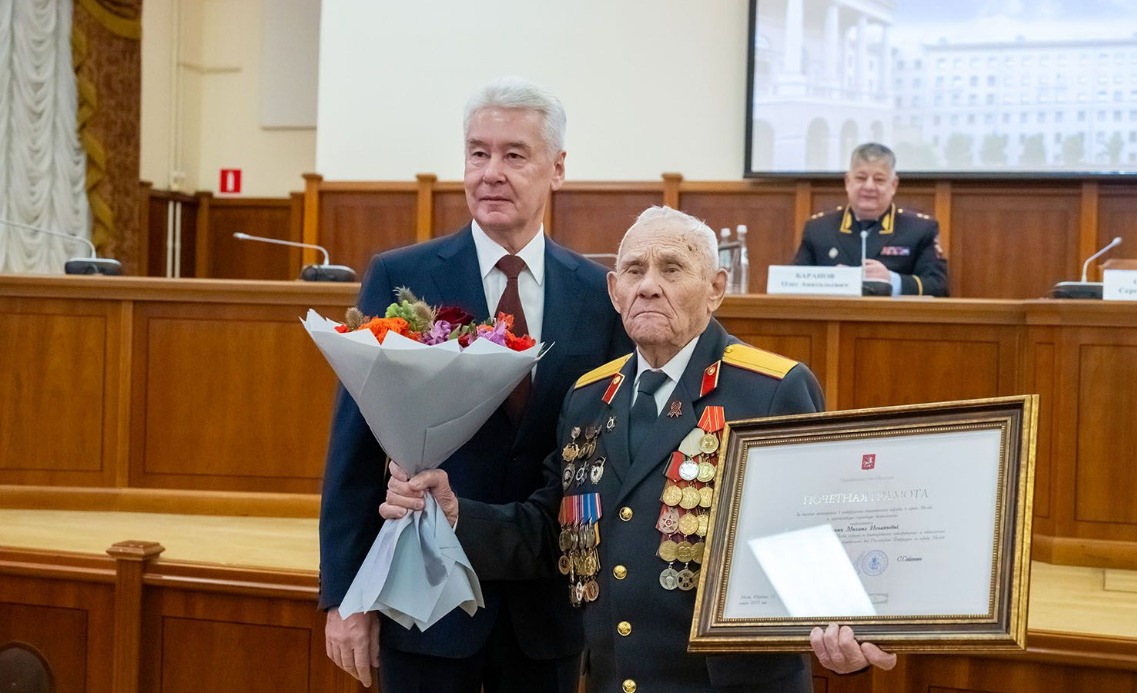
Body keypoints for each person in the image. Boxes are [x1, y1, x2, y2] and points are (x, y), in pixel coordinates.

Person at [381, 206, 897, 691]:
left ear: (716, 288)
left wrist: (850, 627)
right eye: (633, 270)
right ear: (613, 290)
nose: (648, 286)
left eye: (672, 269)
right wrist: (453, 514)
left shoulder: (770, 389)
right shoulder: (588, 398)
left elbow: (822, 533)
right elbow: (550, 533)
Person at [319, 77, 630, 692]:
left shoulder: (601, 296)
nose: (491, 172)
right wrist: (346, 595)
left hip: (546, 616)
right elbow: (353, 453)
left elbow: (605, 459)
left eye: (514, 155)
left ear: (557, 168)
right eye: (477, 152)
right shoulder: (402, 277)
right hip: (423, 608)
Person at [794, 142, 949, 297]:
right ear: (848, 182)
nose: (869, 186)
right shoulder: (818, 229)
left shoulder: (920, 229)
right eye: (861, 178)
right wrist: (831, 281)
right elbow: (794, 285)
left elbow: (939, 287)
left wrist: (892, 281)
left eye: (879, 180)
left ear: (893, 185)